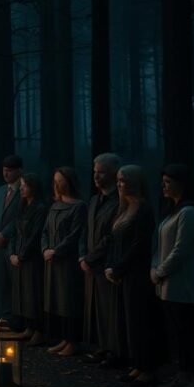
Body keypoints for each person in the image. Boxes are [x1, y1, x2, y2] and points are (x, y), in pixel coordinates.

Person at [152, 164, 194, 387]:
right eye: (162, 180)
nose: (163, 185)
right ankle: (184, 375)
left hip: (181, 282)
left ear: (181, 183)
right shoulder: (174, 211)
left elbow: (181, 250)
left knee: (188, 332)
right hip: (168, 283)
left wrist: (160, 271)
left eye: (168, 181)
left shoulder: (188, 213)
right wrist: (155, 267)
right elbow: (161, 245)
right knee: (178, 332)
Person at [104, 165, 160, 387]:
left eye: (123, 180)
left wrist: (118, 268)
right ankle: (137, 364)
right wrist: (111, 266)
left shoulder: (143, 210)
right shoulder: (124, 208)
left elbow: (139, 245)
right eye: (117, 180)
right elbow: (113, 240)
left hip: (136, 274)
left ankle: (148, 367)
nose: (119, 184)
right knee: (128, 320)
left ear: (135, 182)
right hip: (122, 272)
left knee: (139, 320)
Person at [81, 153, 126, 368]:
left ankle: (115, 350)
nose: (96, 176)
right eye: (94, 171)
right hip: (91, 264)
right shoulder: (94, 200)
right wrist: (83, 255)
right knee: (97, 307)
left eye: (101, 172)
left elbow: (111, 236)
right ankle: (102, 345)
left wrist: (91, 258)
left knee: (111, 308)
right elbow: (86, 230)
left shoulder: (119, 202)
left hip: (106, 263)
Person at [42, 167, 87, 357]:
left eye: (60, 181)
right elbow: (45, 231)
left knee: (69, 299)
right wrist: (45, 249)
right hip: (52, 260)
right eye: (55, 180)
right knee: (57, 299)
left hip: (67, 261)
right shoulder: (54, 206)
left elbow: (74, 234)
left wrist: (56, 251)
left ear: (69, 182)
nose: (57, 184)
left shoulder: (79, 206)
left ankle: (72, 341)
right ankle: (63, 338)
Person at [10, 173, 47, 345]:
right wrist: (12, 253)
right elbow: (16, 233)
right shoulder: (22, 205)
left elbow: (35, 235)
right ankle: (29, 327)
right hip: (20, 256)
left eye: (25, 185)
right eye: (22, 185)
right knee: (24, 293)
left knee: (34, 293)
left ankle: (39, 330)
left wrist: (22, 255)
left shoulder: (40, 208)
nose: (22, 188)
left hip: (32, 258)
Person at [0, 154, 22, 322]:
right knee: (1, 282)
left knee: (14, 283)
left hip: (12, 245)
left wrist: (4, 234)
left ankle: (17, 316)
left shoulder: (23, 191)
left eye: (9, 171)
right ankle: (5, 315)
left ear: (18, 171)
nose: (6, 174)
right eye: (4, 170)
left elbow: (19, 217)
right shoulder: (0, 191)